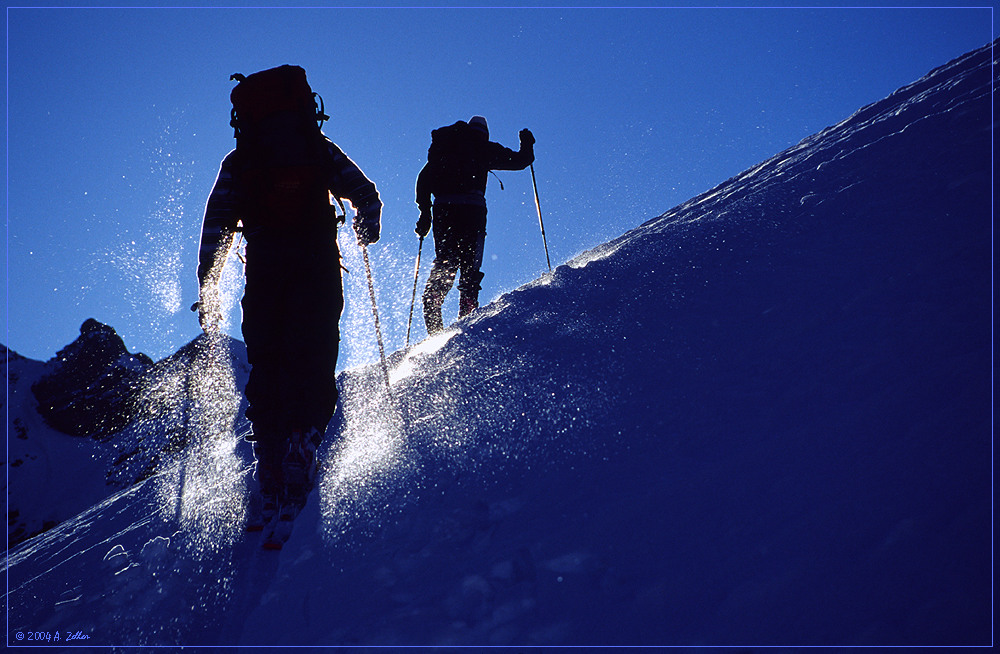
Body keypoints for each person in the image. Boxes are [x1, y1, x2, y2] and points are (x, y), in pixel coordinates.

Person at [196, 65, 381, 536]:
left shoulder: (240, 160)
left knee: (268, 358)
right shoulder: (314, 147)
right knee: (314, 351)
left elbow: (217, 223)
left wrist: (208, 281)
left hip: (264, 266)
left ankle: (271, 460)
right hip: (317, 257)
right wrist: (367, 222)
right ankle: (305, 439)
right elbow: (362, 190)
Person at [415, 116, 534, 334]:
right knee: (470, 266)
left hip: (444, 212)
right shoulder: (483, 148)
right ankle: (466, 316)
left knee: (446, 261)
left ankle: (434, 306)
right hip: (473, 211)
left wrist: (425, 213)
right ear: (484, 132)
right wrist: (527, 143)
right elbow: (521, 161)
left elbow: (423, 180)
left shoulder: (444, 149)